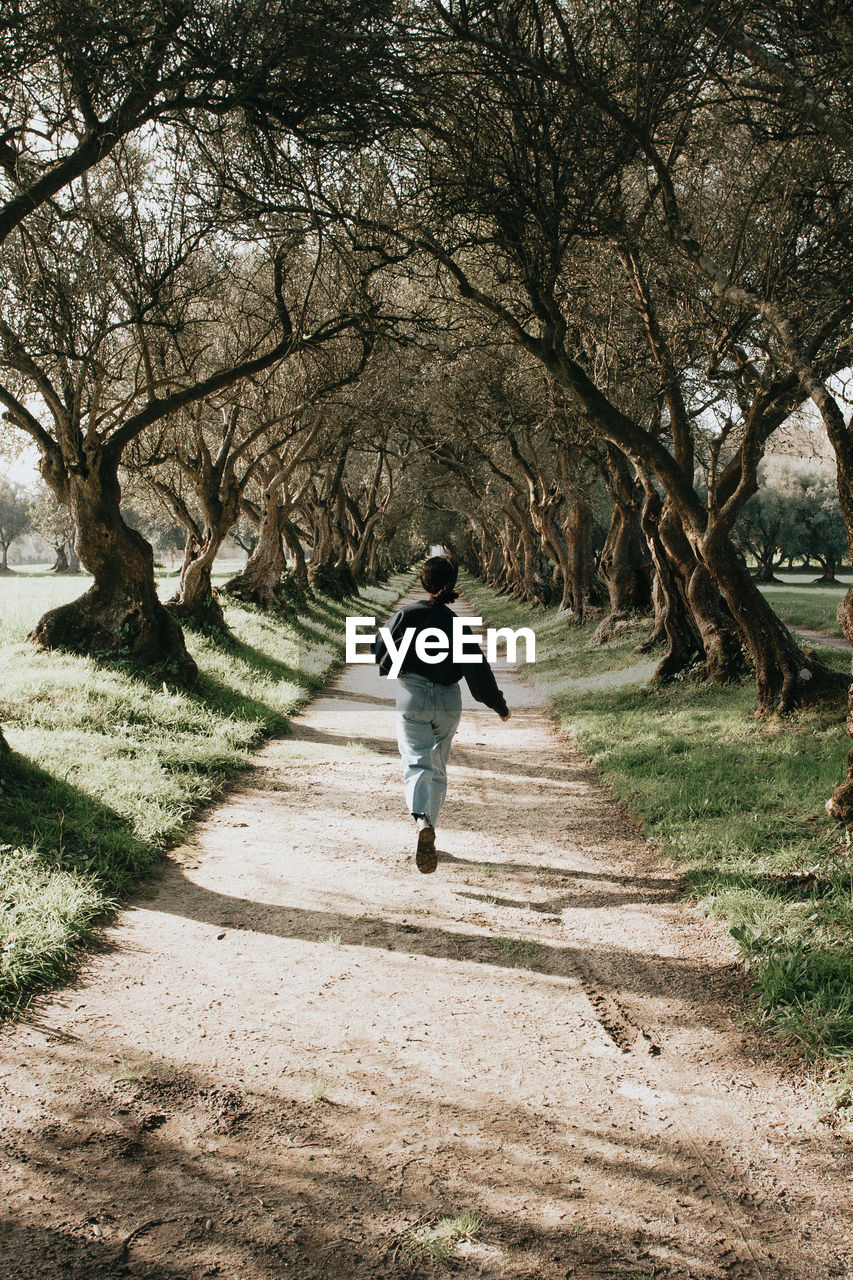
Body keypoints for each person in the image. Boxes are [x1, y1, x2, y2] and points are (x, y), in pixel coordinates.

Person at [373, 555, 510, 873]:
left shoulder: (406, 615)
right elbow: (479, 673)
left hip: (413, 697)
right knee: (437, 766)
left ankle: (422, 822)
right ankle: (429, 826)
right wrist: (499, 706)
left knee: (417, 762)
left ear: (423, 582)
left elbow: (381, 651)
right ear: (452, 584)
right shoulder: (455, 624)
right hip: (448, 701)